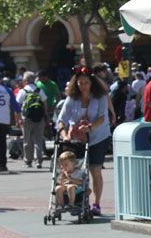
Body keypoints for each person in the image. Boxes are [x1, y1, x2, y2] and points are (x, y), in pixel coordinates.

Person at [57, 67, 111, 215]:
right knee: (76, 169)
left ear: (91, 83)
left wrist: (90, 127)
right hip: (77, 139)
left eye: (86, 83)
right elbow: (62, 120)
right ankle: (78, 201)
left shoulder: (99, 97)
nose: (83, 86)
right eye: (80, 83)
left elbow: (102, 117)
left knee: (95, 169)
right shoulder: (72, 99)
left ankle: (96, 203)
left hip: (98, 136)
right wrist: (64, 135)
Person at [15, 72, 48, 169]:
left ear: (25, 81)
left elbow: (17, 107)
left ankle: (28, 161)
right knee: (38, 139)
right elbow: (45, 105)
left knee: (27, 140)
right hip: (39, 118)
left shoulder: (23, 91)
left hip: (27, 118)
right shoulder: (39, 90)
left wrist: (18, 120)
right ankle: (39, 161)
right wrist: (45, 117)